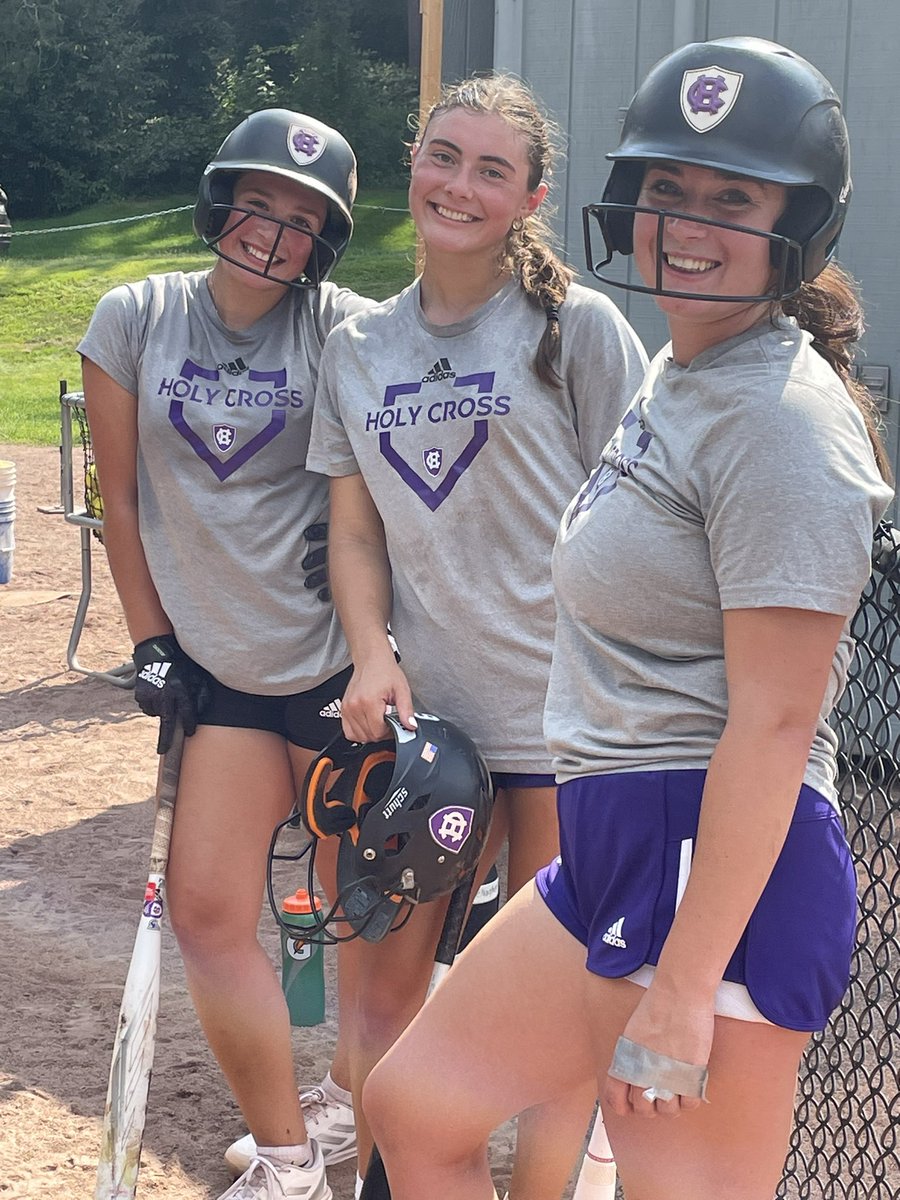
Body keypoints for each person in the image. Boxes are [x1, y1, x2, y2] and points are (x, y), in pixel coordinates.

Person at [360, 37, 894, 1200]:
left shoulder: (783, 422)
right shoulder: (682, 369)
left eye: (732, 199)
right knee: (414, 1108)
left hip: (713, 863)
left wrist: (688, 986)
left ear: (798, 224)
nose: (687, 223)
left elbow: (774, 724)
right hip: (619, 842)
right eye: (667, 189)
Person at [297, 73, 648, 1200]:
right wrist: (371, 650)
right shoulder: (358, 349)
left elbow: (645, 517)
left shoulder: (574, 328)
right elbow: (355, 535)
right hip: (423, 734)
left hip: (566, 729)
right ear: (414, 163)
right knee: (377, 1015)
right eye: (444, 155)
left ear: (531, 195)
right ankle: (393, 1181)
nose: (459, 184)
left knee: (560, 1025)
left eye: (492, 169)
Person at [80, 108, 375, 1200]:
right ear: (219, 199)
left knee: (368, 925)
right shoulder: (137, 314)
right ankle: (289, 1158)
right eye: (258, 201)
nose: (272, 232)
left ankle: (351, 1106)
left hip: (339, 671)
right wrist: (149, 639)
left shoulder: (342, 326)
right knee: (209, 918)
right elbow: (120, 498)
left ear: (325, 244)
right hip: (222, 675)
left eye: (303, 220)